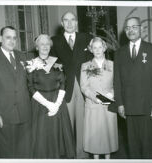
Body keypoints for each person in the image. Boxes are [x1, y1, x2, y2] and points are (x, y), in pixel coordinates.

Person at [114, 17, 152, 159]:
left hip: (148, 105)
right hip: (128, 107)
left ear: (141, 29)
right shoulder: (119, 53)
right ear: (125, 31)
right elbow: (117, 81)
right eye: (128, 28)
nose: (131, 30)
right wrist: (120, 104)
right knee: (133, 145)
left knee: (147, 145)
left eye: (134, 27)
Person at [0, 26, 32, 158]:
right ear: (1, 39)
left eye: (14, 38)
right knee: (7, 152)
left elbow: (30, 82)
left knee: (25, 150)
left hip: (24, 112)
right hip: (4, 114)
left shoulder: (22, 56)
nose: (12, 41)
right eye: (8, 37)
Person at [51, 11, 92, 158]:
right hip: (64, 87)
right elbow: (50, 63)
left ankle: (82, 155)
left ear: (76, 23)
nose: (69, 23)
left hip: (83, 86)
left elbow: (94, 62)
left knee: (82, 122)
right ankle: (68, 155)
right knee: (66, 123)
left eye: (72, 20)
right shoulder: (54, 41)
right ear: (62, 23)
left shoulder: (87, 38)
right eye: (66, 20)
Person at [26, 34, 75, 158]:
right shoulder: (31, 64)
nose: (45, 46)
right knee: (42, 137)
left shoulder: (57, 63)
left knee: (57, 136)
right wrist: (48, 104)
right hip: (40, 104)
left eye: (47, 44)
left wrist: (56, 105)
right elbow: (31, 87)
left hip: (58, 103)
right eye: (42, 44)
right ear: (37, 47)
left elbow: (63, 84)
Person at [80, 37, 118, 159]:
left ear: (104, 48)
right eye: (94, 47)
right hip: (93, 105)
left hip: (108, 104)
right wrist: (94, 97)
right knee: (95, 137)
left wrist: (112, 93)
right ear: (91, 49)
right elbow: (84, 86)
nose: (97, 50)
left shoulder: (112, 65)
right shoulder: (85, 66)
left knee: (108, 135)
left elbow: (118, 84)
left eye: (100, 47)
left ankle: (108, 159)